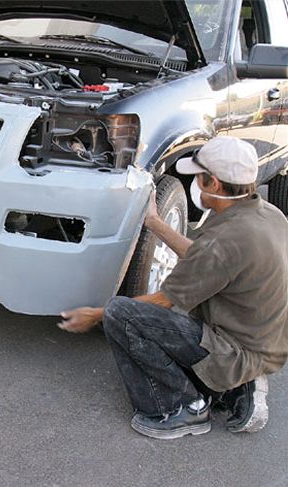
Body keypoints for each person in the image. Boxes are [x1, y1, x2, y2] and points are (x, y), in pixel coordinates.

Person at [58, 136, 288, 440]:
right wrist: (154, 223)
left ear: (214, 183)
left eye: (198, 176)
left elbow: (163, 301)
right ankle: (237, 387)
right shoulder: (267, 215)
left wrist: (95, 314)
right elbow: (205, 258)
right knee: (140, 318)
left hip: (234, 351)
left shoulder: (225, 241)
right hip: (264, 345)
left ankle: (183, 408)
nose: (194, 181)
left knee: (121, 313)